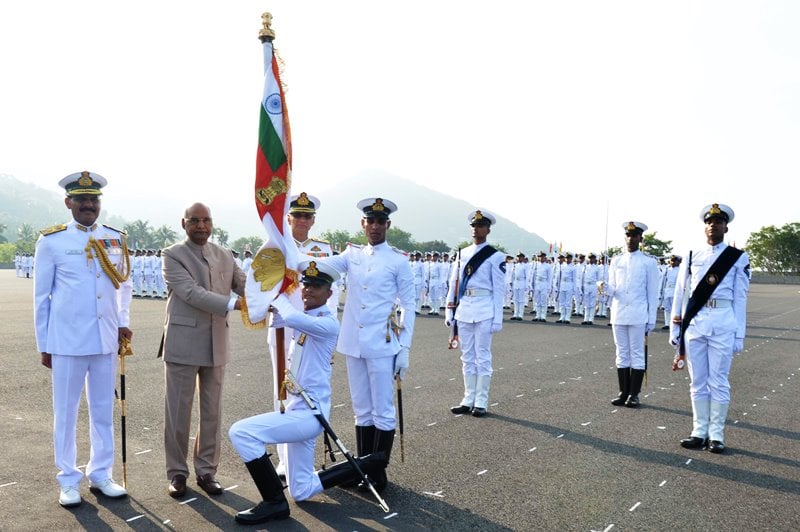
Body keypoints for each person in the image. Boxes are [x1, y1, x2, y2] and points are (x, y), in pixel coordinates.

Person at [228, 260, 387, 525]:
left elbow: (290, 317)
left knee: (241, 432)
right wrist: (258, 299)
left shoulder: (327, 324)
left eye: (317, 286)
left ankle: (274, 502)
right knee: (301, 490)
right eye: (306, 285)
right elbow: (271, 317)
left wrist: (276, 293)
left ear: (329, 293)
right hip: (296, 410)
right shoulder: (305, 319)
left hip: (309, 415)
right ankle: (363, 464)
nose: (309, 290)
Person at [33, 171, 132, 507]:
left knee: (103, 411)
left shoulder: (115, 238)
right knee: (66, 413)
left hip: (105, 340)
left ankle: (101, 473)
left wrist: (123, 323)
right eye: (82, 200)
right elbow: (41, 297)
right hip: (67, 343)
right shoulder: (52, 241)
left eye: (93, 200)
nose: (89, 205)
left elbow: (124, 286)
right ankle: (68, 478)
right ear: (68, 203)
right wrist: (44, 344)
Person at [322, 197, 416, 492]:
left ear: (388, 224)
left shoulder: (398, 261)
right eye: (370, 221)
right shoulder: (351, 255)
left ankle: (378, 472)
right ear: (363, 224)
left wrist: (405, 347)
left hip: (382, 344)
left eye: (380, 221)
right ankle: (362, 469)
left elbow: (409, 305)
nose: (375, 226)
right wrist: (286, 247)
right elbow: (318, 266)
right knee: (361, 408)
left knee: (383, 410)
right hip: (354, 342)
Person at [160, 202, 246, 498]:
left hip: (216, 343)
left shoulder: (225, 255)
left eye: (206, 220)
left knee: (212, 412)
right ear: (183, 223)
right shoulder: (172, 255)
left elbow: (245, 285)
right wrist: (234, 303)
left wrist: (274, 288)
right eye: (194, 220)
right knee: (178, 412)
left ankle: (207, 471)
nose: (201, 226)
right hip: (183, 343)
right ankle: (177, 472)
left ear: (212, 223)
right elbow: (190, 292)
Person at [671, 204, 750, 454]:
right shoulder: (692, 255)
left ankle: (716, 435)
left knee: (719, 381)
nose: (713, 225)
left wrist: (739, 334)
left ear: (726, 227)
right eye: (709, 222)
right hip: (696, 324)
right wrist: (676, 329)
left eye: (718, 222)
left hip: (723, 323)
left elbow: (741, 298)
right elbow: (680, 293)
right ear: (704, 227)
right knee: (697, 381)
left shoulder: (737, 257)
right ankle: (699, 432)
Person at [268, 192, 337, 478]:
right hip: (282, 326)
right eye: (297, 215)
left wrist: (328, 336)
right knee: (282, 391)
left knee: (308, 391)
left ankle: (301, 458)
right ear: (288, 218)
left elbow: (333, 291)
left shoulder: (322, 249)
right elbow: (264, 283)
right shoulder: (275, 245)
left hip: (313, 330)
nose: (302, 220)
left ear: (313, 220)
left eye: (307, 216)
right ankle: (284, 459)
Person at [445, 210, 506, 417]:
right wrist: (449, 310)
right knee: (467, 356)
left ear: (488, 230)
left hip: (484, 309)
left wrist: (498, 318)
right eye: (473, 226)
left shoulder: (495, 256)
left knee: (483, 356)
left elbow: (499, 289)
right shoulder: (462, 253)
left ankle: (481, 400)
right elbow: (454, 283)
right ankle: (468, 398)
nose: (476, 229)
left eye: (480, 226)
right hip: (464, 308)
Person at [599, 222, 660, 407]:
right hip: (619, 312)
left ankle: (634, 394)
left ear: (640, 238)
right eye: (628, 235)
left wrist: (651, 319)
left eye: (634, 236)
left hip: (638, 314)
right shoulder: (616, 260)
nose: (630, 239)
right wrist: (604, 287)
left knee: (637, 353)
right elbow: (614, 289)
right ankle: (623, 392)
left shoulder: (648, 262)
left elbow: (652, 293)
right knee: (621, 352)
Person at [659, 255, 681, 329]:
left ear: (678, 262)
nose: (673, 262)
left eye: (674, 261)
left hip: (675, 291)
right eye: (672, 261)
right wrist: (661, 291)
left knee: (675, 308)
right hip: (667, 291)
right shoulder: (667, 270)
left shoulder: (680, 270)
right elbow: (664, 281)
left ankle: (674, 323)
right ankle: (667, 324)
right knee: (667, 308)